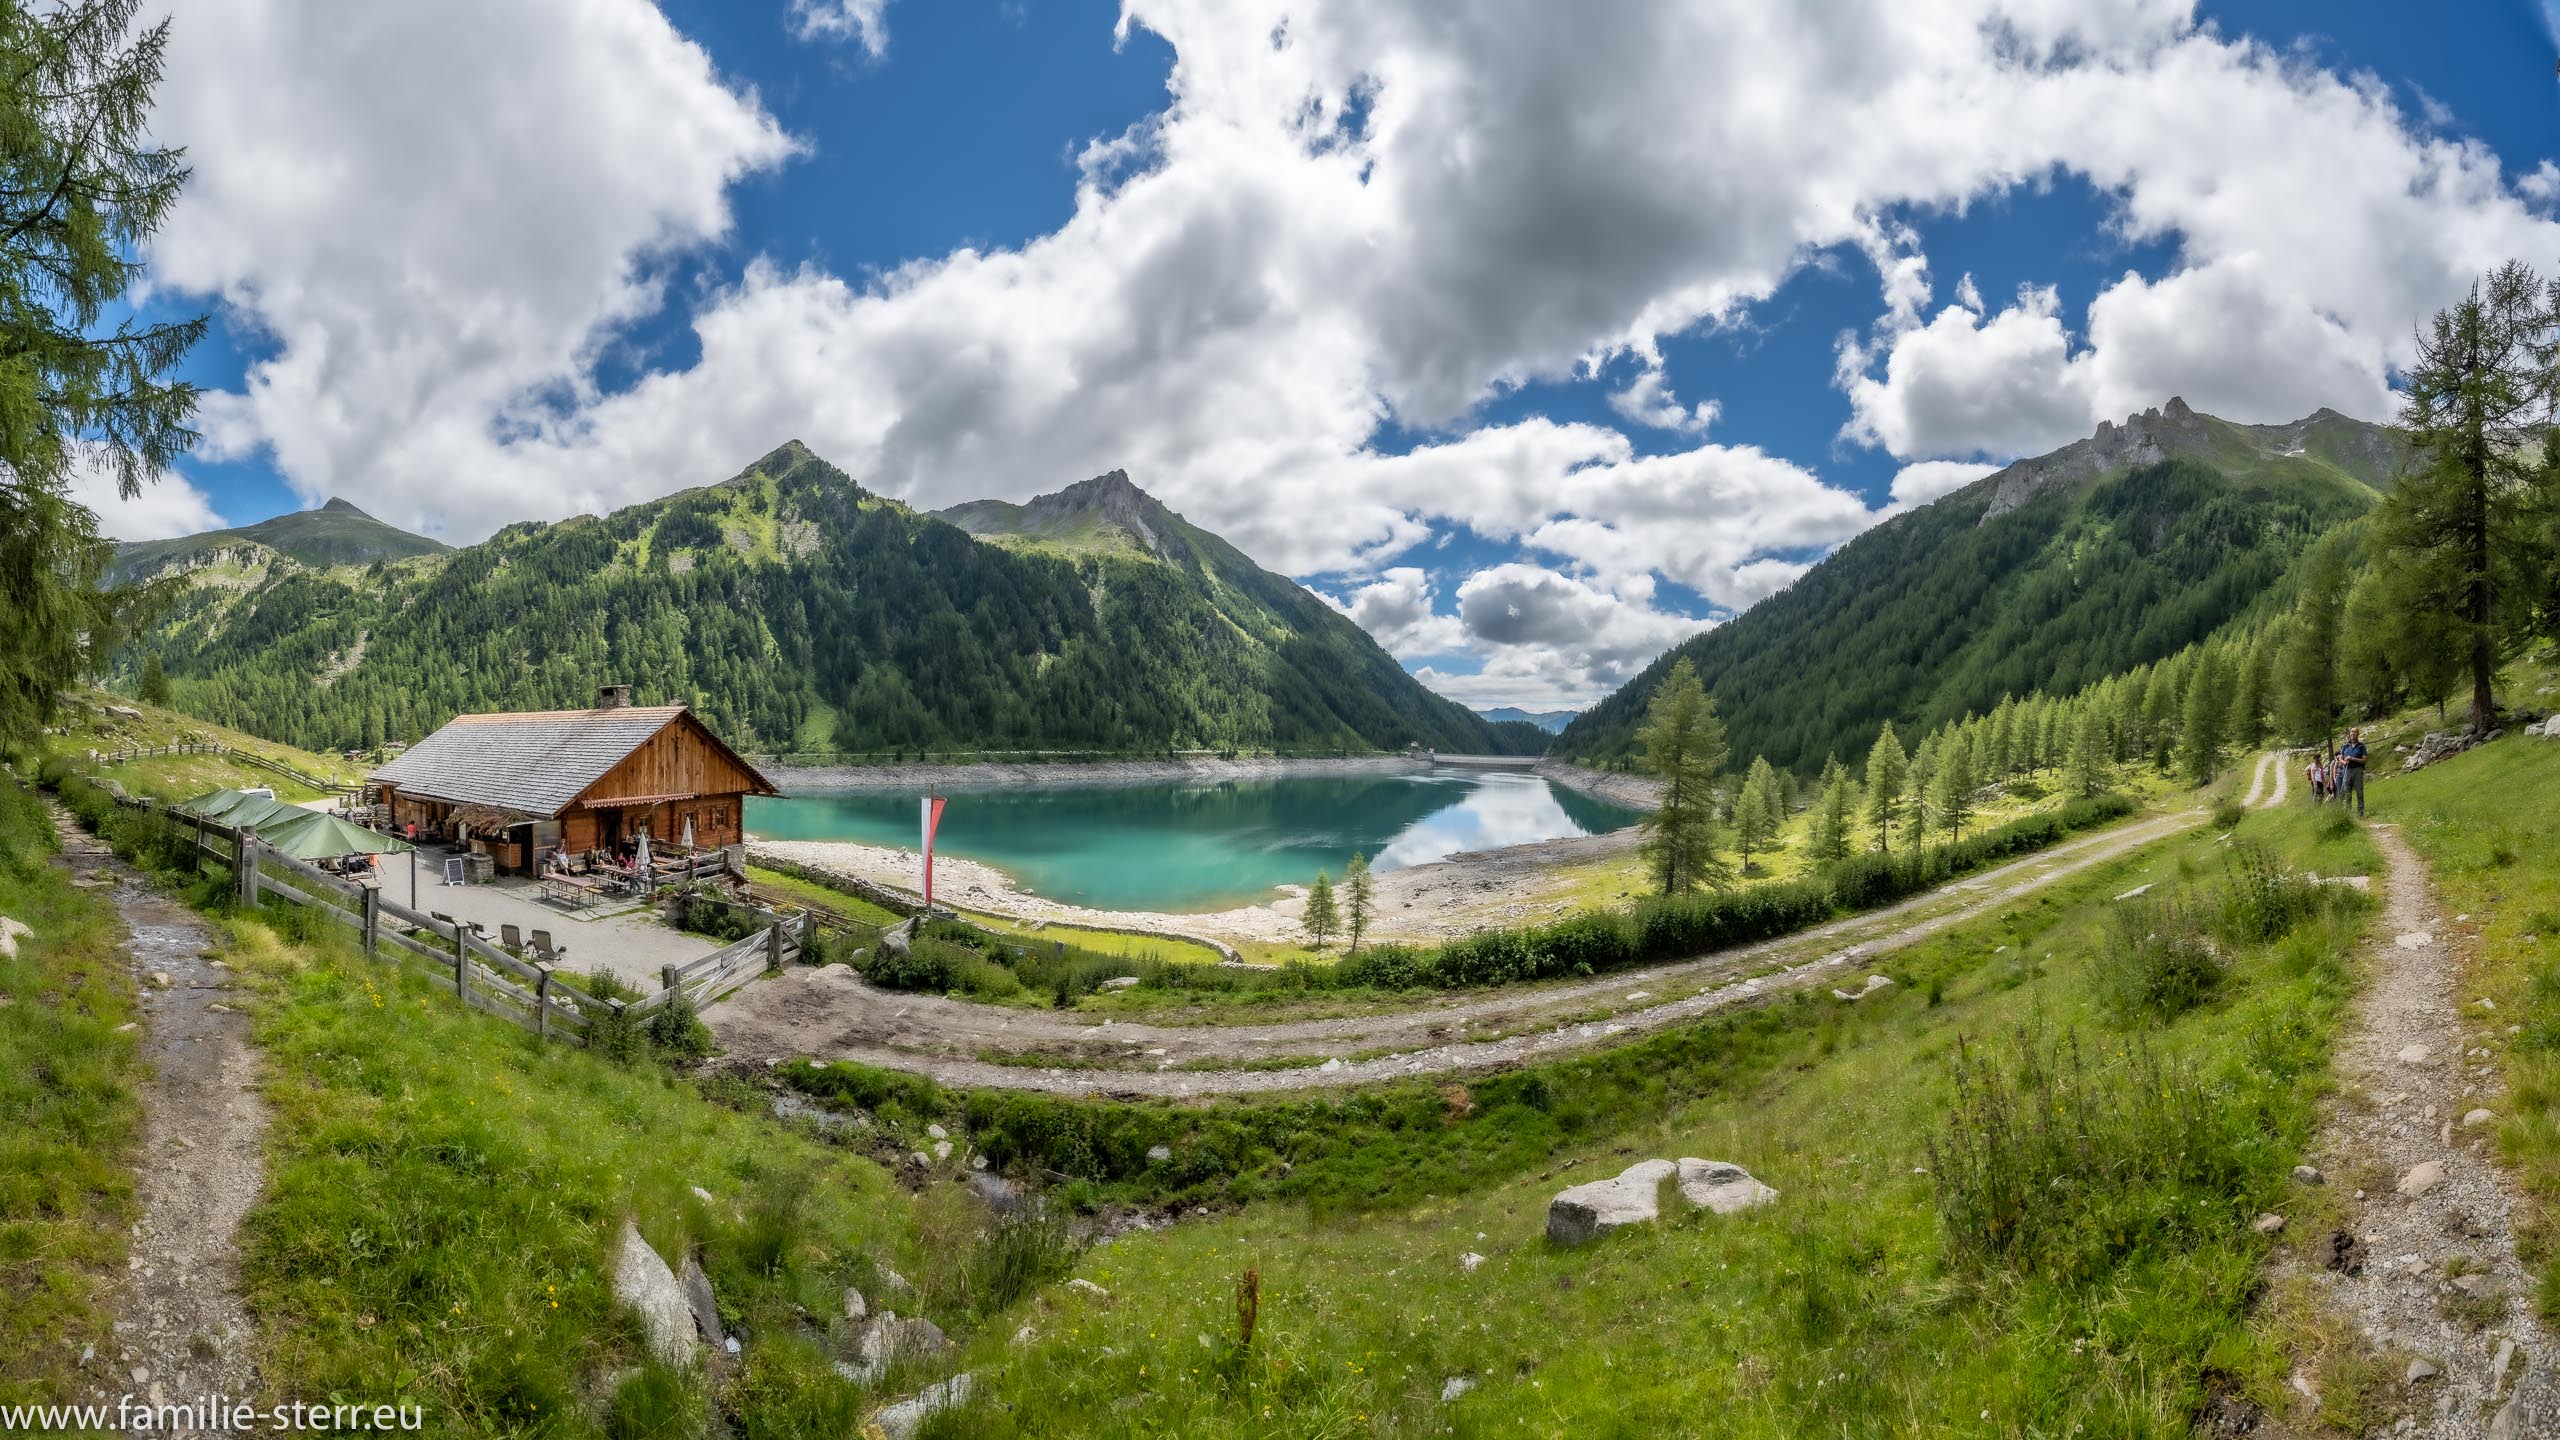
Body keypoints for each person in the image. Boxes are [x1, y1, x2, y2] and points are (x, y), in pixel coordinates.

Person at [2338, 727, 2369, 817]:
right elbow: (2340, 757)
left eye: (2355, 732)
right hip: (2347, 770)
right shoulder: (2345, 745)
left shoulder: (2361, 746)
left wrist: (2352, 758)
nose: (2353, 733)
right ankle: (2348, 813)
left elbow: (2365, 760)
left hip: (2357, 770)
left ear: (2358, 734)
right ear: (2349, 734)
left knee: (2359, 791)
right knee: (2347, 791)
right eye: (2352, 732)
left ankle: (2360, 813)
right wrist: (2344, 762)